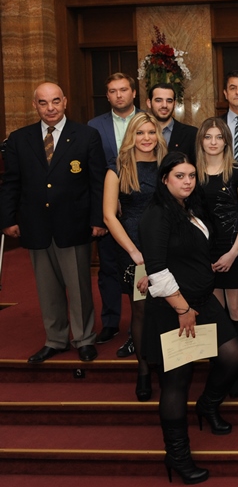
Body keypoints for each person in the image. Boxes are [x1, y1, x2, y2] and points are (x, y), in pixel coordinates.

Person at [140, 152, 238, 484]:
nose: (187, 181)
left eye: (191, 176)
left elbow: (187, 252)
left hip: (202, 301)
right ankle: (177, 455)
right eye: (180, 176)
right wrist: (183, 309)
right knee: (176, 382)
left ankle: (208, 405)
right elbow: (157, 268)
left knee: (232, 355)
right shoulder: (157, 214)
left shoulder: (189, 207)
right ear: (164, 179)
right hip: (174, 307)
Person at [1, 82, 107, 363]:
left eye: (55, 101)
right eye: (43, 103)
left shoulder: (86, 135)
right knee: (47, 290)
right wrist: (7, 218)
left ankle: (83, 338)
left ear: (65, 101)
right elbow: (11, 183)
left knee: (79, 287)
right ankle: (56, 339)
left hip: (74, 224)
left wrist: (98, 219)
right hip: (35, 225)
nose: (50, 108)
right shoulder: (19, 139)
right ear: (34, 105)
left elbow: (97, 182)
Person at [102, 113, 167, 400]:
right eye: (140, 132)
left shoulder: (168, 164)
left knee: (166, 306)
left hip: (164, 243)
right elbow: (108, 216)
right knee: (140, 309)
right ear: (131, 136)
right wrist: (134, 252)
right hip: (132, 245)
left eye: (151, 132)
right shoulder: (117, 168)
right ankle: (142, 369)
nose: (146, 138)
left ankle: (165, 364)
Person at [195, 117, 238, 398]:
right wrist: (199, 256)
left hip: (234, 249)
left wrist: (233, 253)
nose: (214, 142)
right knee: (215, 312)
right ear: (201, 141)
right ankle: (221, 368)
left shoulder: (237, 172)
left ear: (227, 142)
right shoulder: (192, 173)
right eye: (208, 136)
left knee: (237, 309)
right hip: (204, 253)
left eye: (219, 137)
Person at [89, 73, 140, 346]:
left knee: (141, 267)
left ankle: (139, 326)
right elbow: (93, 171)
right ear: (107, 96)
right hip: (108, 204)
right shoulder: (94, 126)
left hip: (140, 204)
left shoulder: (147, 120)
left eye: (123, 89)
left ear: (134, 92)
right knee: (108, 266)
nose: (119, 95)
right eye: (113, 91)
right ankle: (110, 322)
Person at [146, 83, 197, 162]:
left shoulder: (192, 134)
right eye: (158, 100)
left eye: (169, 101)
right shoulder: (138, 133)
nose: (164, 105)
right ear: (149, 103)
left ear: (174, 104)